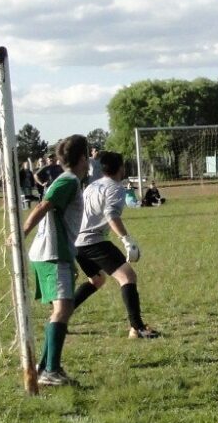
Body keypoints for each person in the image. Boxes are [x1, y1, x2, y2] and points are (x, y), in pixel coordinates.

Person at [22, 135, 89, 387]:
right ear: (83, 158)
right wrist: (21, 232)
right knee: (62, 309)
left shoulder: (68, 181)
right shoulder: (68, 181)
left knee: (63, 309)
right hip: (53, 253)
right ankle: (50, 370)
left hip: (57, 253)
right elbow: (44, 205)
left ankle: (45, 367)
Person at [70, 151, 160, 339]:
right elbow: (111, 215)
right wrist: (127, 240)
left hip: (77, 240)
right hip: (93, 240)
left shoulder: (92, 185)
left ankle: (61, 315)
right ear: (121, 168)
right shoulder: (116, 188)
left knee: (97, 280)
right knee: (127, 277)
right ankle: (137, 328)